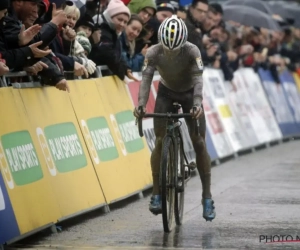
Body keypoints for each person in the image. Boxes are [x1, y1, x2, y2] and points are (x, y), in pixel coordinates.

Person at [133, 15, 216, 221]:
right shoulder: (153, 52)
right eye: (167, 49)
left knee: (199, 141)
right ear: (161, 42)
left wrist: (197, 104)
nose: (170, 52)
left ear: (183, 43)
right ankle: (156, 193)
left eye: (175, 49)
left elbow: (198, 80)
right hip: (166, 92)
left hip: (189, 94)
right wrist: (141, 105)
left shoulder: (192, 51)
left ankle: (207, 197)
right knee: (160, 141)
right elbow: (145, 79)